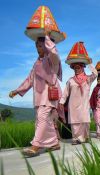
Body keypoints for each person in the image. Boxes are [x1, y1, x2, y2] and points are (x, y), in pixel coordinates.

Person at [9, 29, 63, 157]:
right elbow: (29, 79)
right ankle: (54, 143)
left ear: (46, 46)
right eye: (37, 46)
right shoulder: (36, 64)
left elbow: (55, 54)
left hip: (49, 95)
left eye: (41, 45)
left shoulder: (51, 61)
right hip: (39, 96)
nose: (38, 48)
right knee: (45, 120)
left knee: (43, 118)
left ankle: (36, 145)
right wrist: (17, 91)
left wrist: (48, 39)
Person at [59, 42, 98, 145]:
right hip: (73, 104)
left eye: (78, 68)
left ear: (82, 68)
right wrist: (61, 102)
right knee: (75, 122)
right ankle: (75, 138)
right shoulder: (71, 80)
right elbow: (65, 93)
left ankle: (85, 137)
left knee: (84, 121)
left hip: (84, 104)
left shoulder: (88, 79)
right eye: (75, 68)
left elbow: (95, 74)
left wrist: (90, 63)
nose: (76, 70)